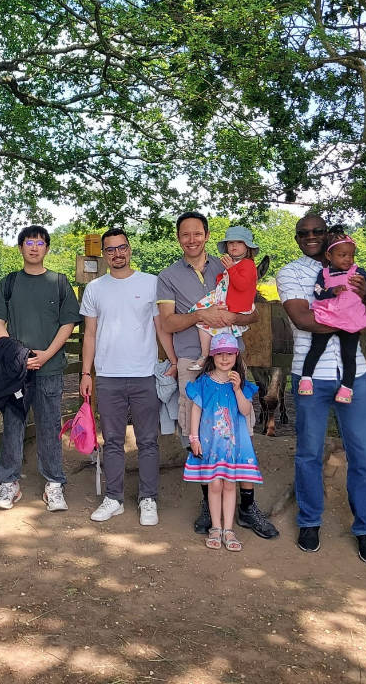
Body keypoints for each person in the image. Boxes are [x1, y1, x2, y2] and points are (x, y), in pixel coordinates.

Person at [156, 212, 278, 540]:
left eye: (198, 233)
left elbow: (252, 314)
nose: (191, 239)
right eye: (185, 234)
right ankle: (209, 504)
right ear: (179, 238)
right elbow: (167, 323)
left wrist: (228, 316)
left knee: (241, 428)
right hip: (193, 363)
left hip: (231, 360)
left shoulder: (228, 265)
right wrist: (200, 315)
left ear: (208, 235)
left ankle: (247, 505)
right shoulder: (167, 276)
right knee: (198, 432)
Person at [276, 213, 366, 563]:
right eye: (303, 232)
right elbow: (301, 319)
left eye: (317, 231)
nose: (310, 236)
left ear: (327, 234)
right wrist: (348, 321)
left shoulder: (352, 269)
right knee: (308, 452)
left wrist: (359, 308)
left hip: (354, 374)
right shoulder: (290, 273)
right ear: (296, 238)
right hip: (311, 375)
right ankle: (309, 521)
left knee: (362, 455)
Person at [80, 228, 173, 526]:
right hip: (107, 376)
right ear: (104, 254)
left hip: (144, 374)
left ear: (130, 249)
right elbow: (90, 334)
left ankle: (148, 498)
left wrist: (172, 361)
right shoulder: (95, 288)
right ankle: (114, 498)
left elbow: (161, 328)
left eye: (122, 248)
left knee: (148, 440)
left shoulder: (151, 283)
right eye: (110, 249)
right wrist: (86, 372)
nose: (117, 254)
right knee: (113, 441)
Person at [0, 225, 81, 512]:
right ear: (20, 248)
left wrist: (47, 354)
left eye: (40, 243)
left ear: (47, 248)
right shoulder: (9, 282)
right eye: (29, 242)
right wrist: (16, 353)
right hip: (16, 372)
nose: (34, 247)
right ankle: (9, 483)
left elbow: (68, 324)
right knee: (12, 425)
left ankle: (54, 483)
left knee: (50, 426)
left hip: (50, 370)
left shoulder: (59, 282)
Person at [183, 333, 262, 552]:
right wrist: (194, 438)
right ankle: (215, 528)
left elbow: (245, 411)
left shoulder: (241, 383)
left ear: (236, 355)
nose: (225, 358)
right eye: (220, 354)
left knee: (229, 484)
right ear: (212, 355)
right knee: (214, 484)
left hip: (233, 447)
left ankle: (229, 529)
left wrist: (237, 390)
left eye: (229, 354)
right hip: (211, 445)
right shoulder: (204, 382)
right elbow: (196, 411)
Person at [299, 232, 366, 403]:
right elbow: (317, 292)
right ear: (329, 255)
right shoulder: (324, 274)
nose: (348, 259)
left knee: (348, 354)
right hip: (328, 316)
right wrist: (331, 291)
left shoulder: (358, 272)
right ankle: (306, 378)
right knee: (316, 348)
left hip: (351, 319)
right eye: (342, 255)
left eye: (351, 255)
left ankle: (346, 387)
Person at [188, 225, 259, 371]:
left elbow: (242, 285)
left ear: (248, 247)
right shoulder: (234, 264)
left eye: (239, 242)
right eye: (230, 242)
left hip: (234, 305)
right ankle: (206, 354)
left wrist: (231, 269)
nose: (234, 245)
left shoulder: (248, 264)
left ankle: (216, 358)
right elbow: (228, 281)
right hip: (225, 301)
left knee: (219, 328)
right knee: (202, 320)